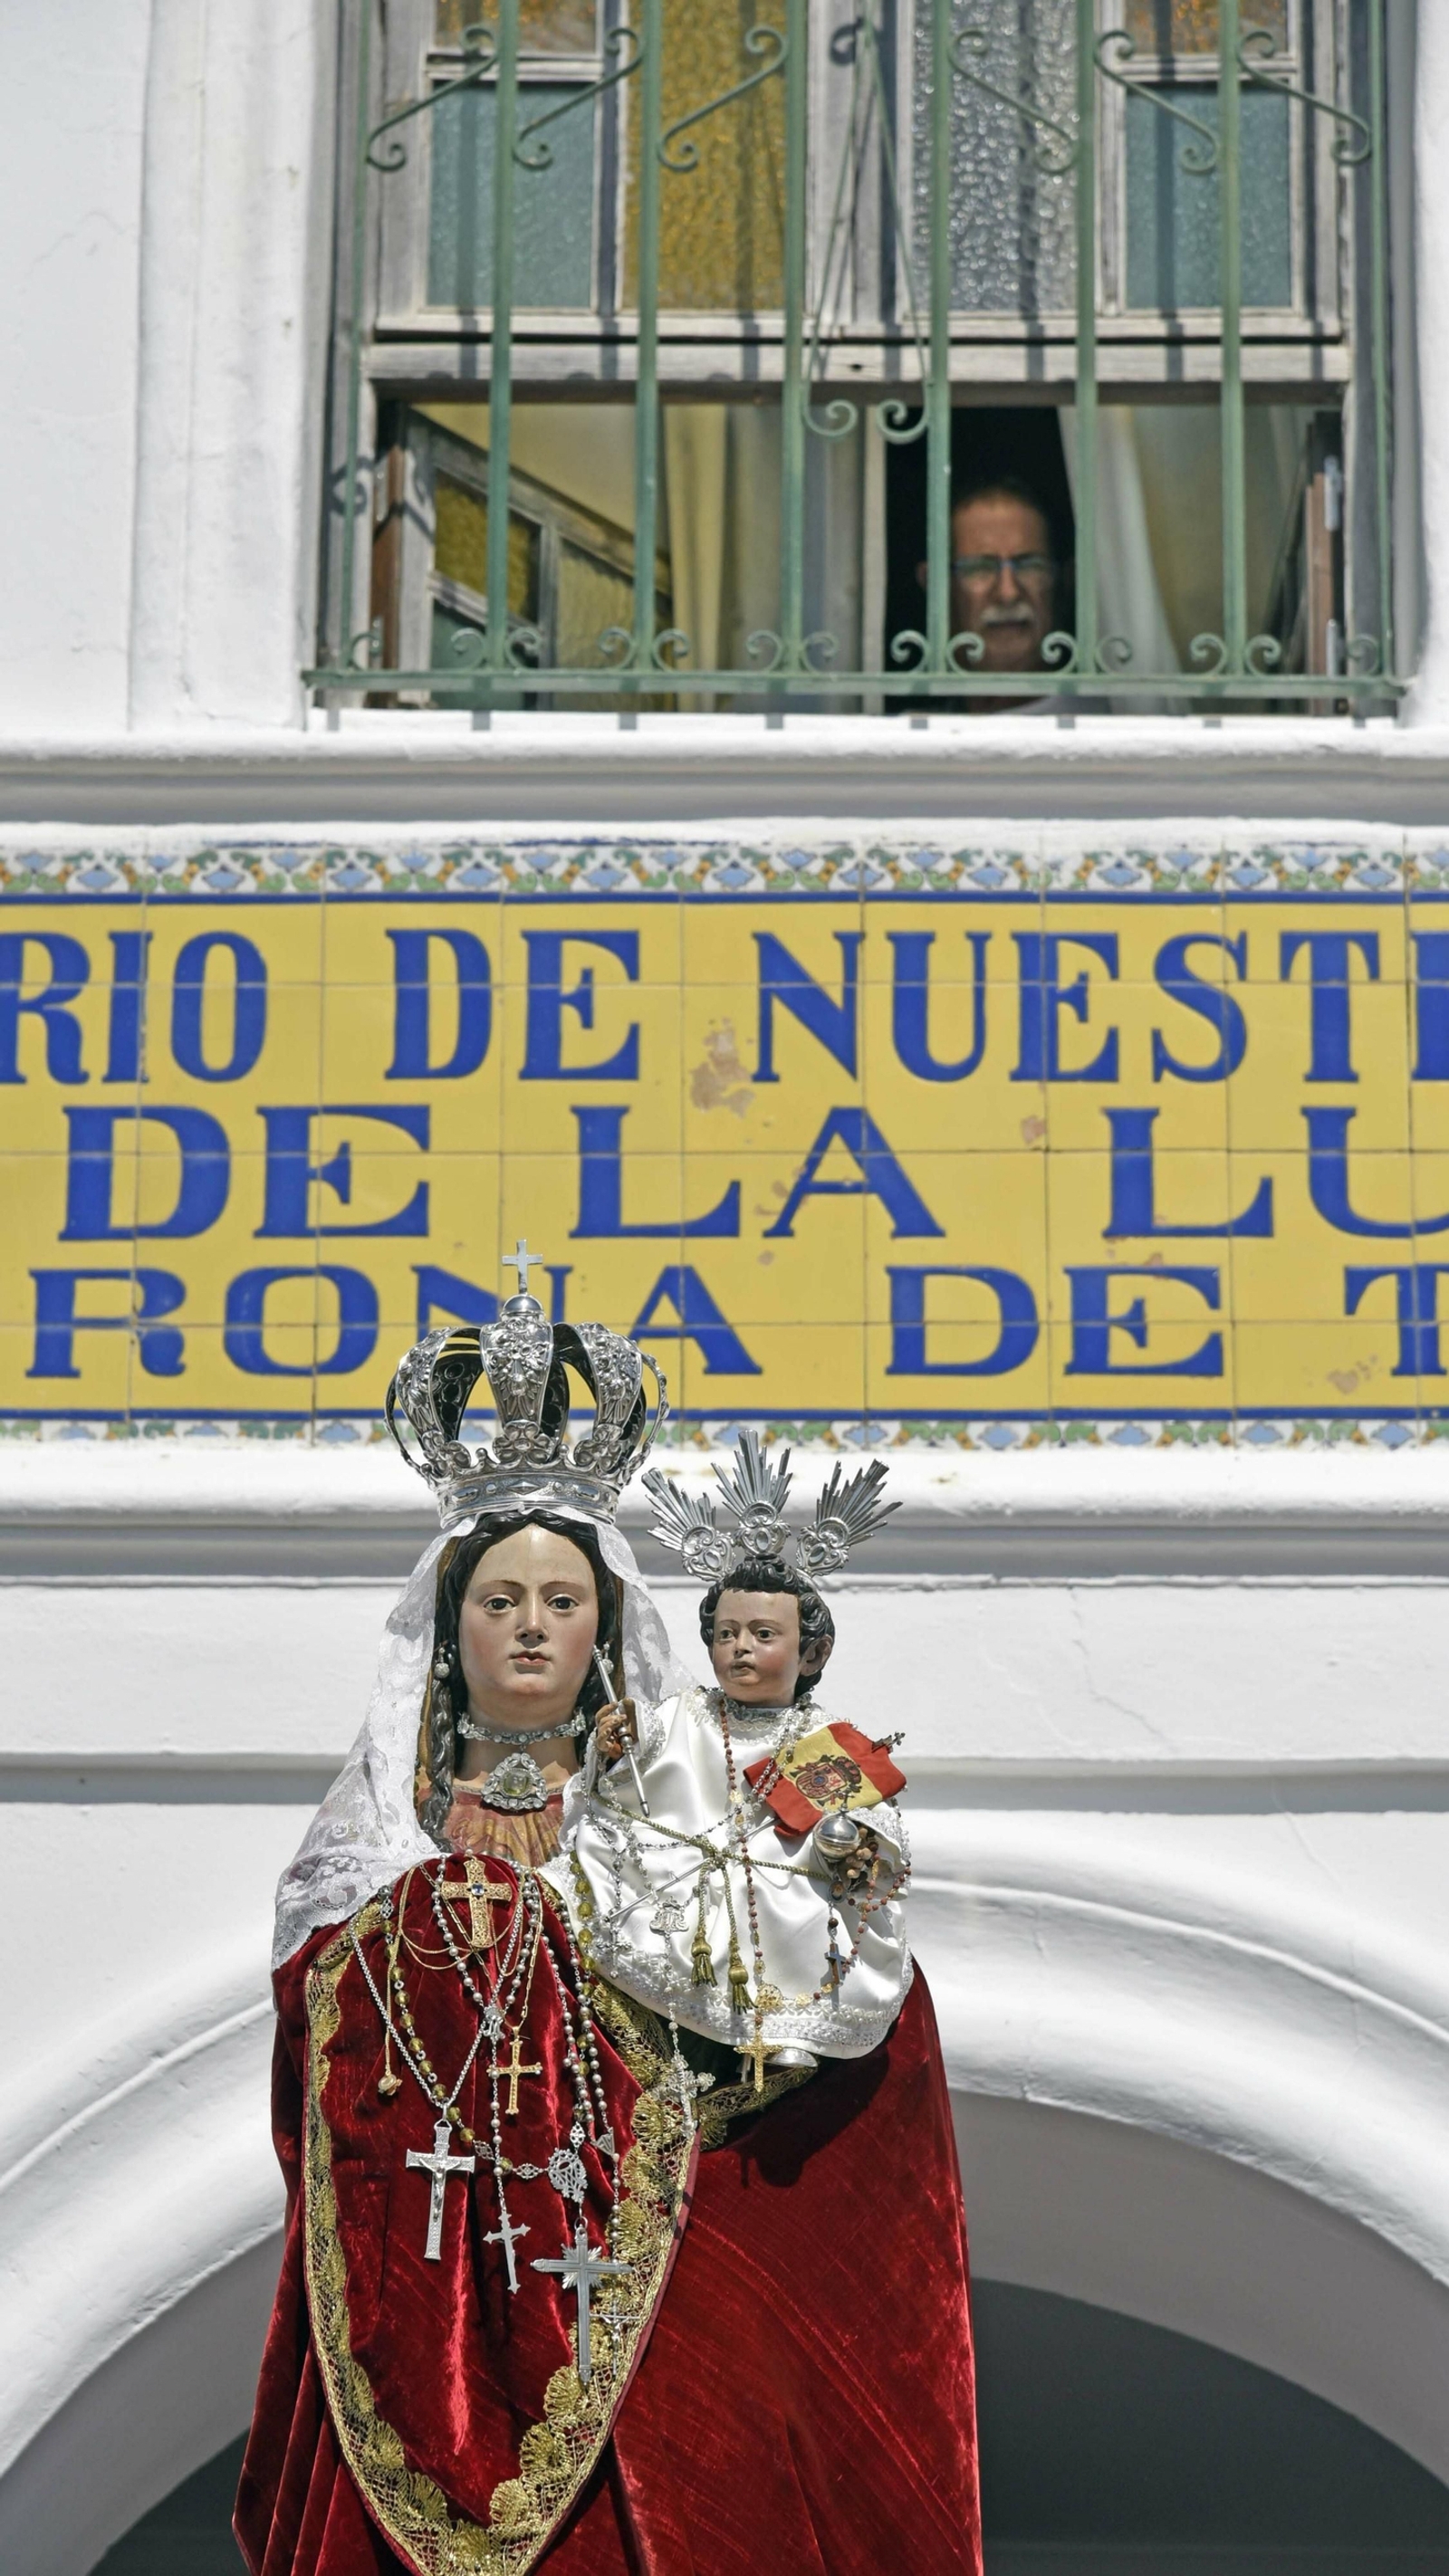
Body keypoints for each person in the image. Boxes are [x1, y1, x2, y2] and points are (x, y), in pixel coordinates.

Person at [235, 1272, 983, 2574]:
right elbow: (321, 2040)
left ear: (609, 1628)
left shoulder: (683, 1822)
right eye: (500, 1600)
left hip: (652, 2286)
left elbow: (812, 2017)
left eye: (563, 1601)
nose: (531, 1627)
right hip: (423, 2278)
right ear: (445, 1630)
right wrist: (436, 1922)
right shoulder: (368, 1861)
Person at [917, 474, 1068, 712]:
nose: (1008, 593)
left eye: (1030, 566)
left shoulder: (1110, 727)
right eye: (980, 568)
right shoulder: (914, 735)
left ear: (1062, 580)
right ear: (938, 585)